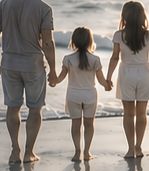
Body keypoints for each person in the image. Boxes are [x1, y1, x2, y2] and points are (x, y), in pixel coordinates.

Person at [0, 0, 58, 165]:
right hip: (33, 66)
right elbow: (47, 42)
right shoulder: (44, 8)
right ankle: (29, 152)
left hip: (9, 64)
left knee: (13, 107)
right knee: (35, 109)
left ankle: (14, 150)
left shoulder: (5, 4)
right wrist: (53, 69)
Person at [107, 1, 149, 158]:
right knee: (142, 113)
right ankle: (139, 147)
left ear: (124, 16)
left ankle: (131, 149)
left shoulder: (119, 35)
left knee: (128, 114)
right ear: (142, 16)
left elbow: (114, 58)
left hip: (126, 74)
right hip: (144, 73)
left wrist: (108, 77)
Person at [47, 26, 111, 161]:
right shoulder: (95, 59)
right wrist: (108, 85)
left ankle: (77, 152)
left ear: (73, 41)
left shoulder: (68, 59)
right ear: (90, 41)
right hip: (90, 96)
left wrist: (54, 81)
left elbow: (61, 77)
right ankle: (87, 152)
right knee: (89, 124)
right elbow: (101, 80)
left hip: (73, 95)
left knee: (75, 125)